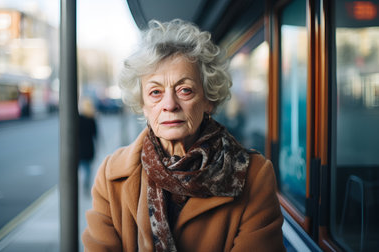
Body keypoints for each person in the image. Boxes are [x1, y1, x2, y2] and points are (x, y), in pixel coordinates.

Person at [82, 19, 285, 251]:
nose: (169, 104)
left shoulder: (254, 176)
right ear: (143, 105)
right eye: (155, 92)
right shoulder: (111, 175)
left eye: (184, 90)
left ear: (209, 99)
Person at [78, 97, 97, 191]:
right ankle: (86, 184)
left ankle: (77, 184)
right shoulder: (92, 118)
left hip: (78, 147)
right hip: (89, 147)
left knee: (78, 167)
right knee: (88, 168)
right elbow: (95, 134)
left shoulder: (78, 118)